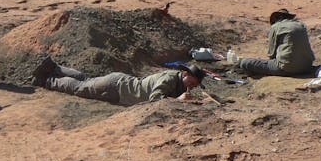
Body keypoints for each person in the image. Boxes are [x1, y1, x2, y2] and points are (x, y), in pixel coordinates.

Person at [32, 56, 205, 105]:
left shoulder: (177, 81)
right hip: (116, 89)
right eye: (193, 81)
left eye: (195, 85)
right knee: (81, 87)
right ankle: (47, 80)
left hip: (118, 82)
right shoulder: (169, 79)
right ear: (185, 74)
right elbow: (155, 99)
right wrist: (178, 100)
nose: (193, 86)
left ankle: (54, 67)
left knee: (86, 79)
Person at [239, 8, 316, 77]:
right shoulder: (301, 25)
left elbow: (271, 54)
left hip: (287, 68)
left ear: (277, 18)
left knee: (245, 63)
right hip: (307, 66)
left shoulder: (276, 27)